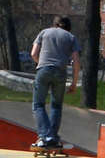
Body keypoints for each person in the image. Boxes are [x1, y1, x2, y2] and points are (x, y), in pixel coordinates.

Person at [29, 16, 81, 149]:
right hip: (60, 72)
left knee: (38, 104)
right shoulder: (71, 37)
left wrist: (42, 63)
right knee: (56, 106)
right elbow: (76, 62)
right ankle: (52, 137)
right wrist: (74, 83)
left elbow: (33, 54)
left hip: (43, 70)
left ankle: (45, 136)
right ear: (68, 28)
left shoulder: (44, 32)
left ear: (55, 24)